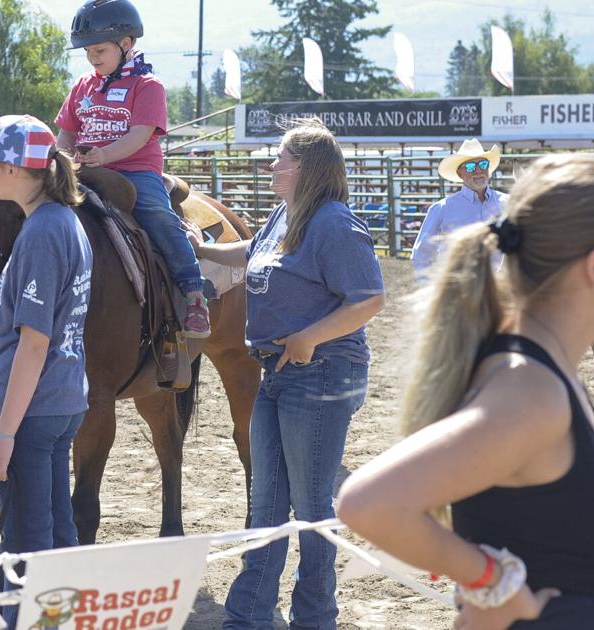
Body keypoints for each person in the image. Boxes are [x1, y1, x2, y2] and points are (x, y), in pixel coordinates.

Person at [337, 154, 594, 629]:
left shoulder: (552, 373)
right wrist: (492, 579)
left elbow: (560, 558)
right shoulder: (531, 390)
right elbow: (367, 503)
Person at [186, 118, 385, 629]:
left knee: (310, 504)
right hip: (279, 372)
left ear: (307, 168)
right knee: (269, 500)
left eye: (281, 159)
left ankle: (312, 617)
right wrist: (204, 248)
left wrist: (310, 336)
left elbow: (370, 298)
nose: (272, 166)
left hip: (319, 372)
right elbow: (251, 254)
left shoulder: (334, 224)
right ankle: (248, 615)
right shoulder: (286, 214)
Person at [0, 114, 93, 625]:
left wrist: (5, 432)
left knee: (24, 542)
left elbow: (32, 345)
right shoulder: (66, 221)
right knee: (58, 532)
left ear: (15, 168)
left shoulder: (39, 233)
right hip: (63, 400)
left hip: (32, 411)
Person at [55, 0, 210, 338]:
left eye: (100, 49)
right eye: (88, 51)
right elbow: (67, 130)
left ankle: (194, 293)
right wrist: (61, 160)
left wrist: (104, 155)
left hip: (134, 172)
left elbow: (141, 135)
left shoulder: (148, 86)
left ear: (125, 45)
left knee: (158, 214)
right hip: (85, 170)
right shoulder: (83, 85)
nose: (93, 57)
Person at [411, 139, 507, 275]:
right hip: (459, 291)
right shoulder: (442, 208)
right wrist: (430, 288)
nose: (478, 170)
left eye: (483, 164)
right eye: (470, 167)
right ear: (459, 173)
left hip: (500, 291)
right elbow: (421, 254)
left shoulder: (508, 203)